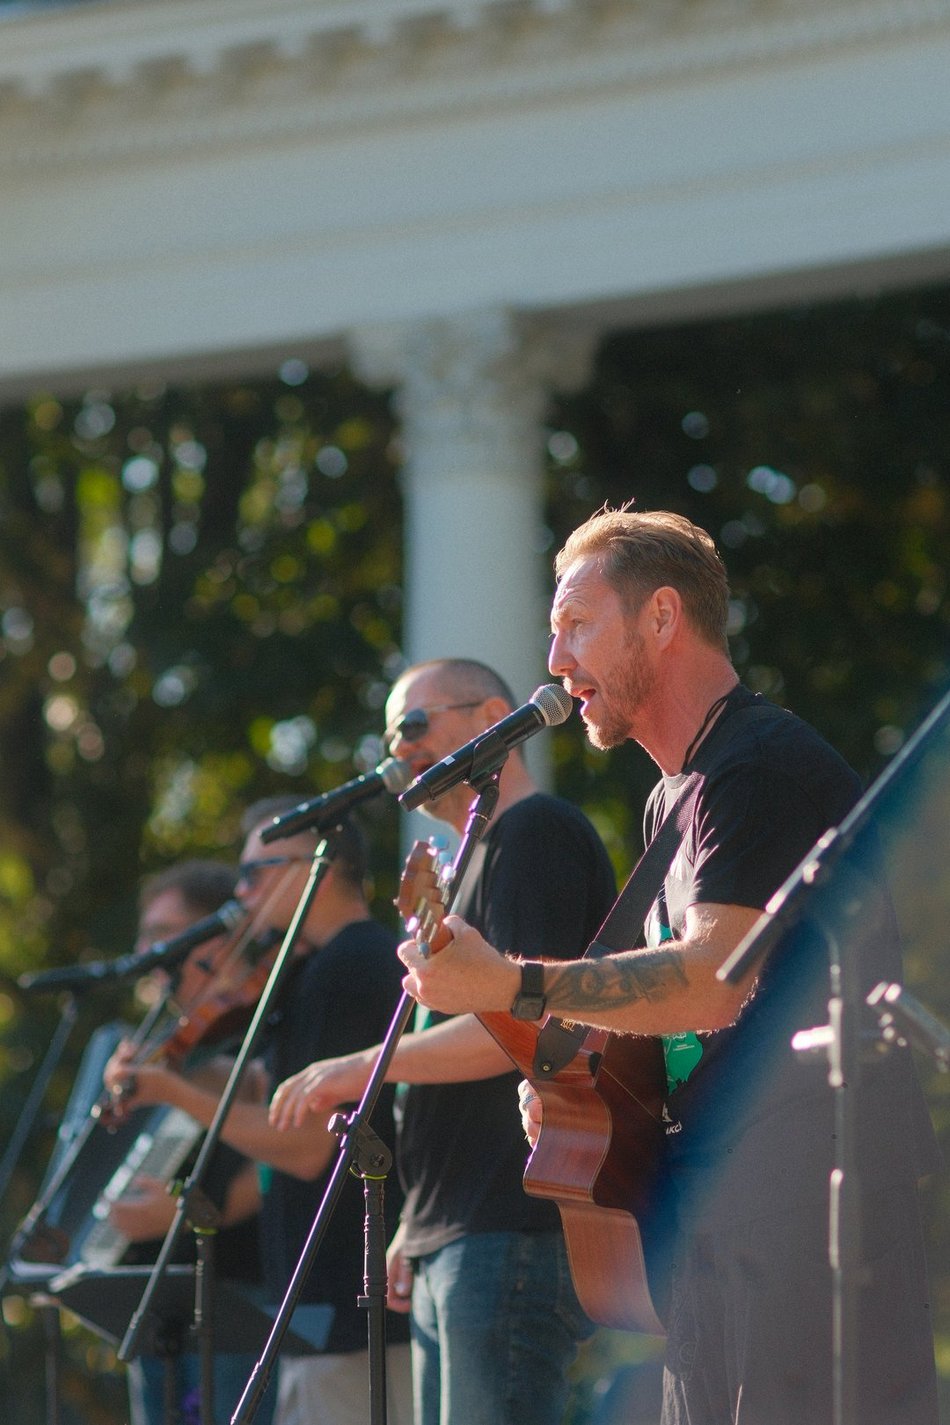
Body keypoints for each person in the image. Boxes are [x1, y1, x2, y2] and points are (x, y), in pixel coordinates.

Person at [394, 509, 941, 1425]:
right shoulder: (668, 799)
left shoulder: (756, 766)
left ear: (660, 616)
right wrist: (585, 1079)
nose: (556, 662)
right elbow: (679, 1016)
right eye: (553, 634)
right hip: (718, 1204)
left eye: (577, 626)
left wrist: (511, 984)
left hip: (806, 1188)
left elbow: (711, 978)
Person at [269, 658, 617, 1425]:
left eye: (416, 724)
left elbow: (521, 1030)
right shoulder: (471, 860)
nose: (400, 749)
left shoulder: (535, 830)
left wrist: (357, 1068)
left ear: (494, 714)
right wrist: (415, 1221)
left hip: (511, 1224)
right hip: (458, 1231)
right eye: (390, 735)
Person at [104, 808, 413, 1425]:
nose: (239, 895)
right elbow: (267, 1089)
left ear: (312, 872)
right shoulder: (319, 968)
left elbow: (303, 1147)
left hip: (349, 1307)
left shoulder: (349, 966)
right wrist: (176, 1076)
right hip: (324, 1309)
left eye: (252, 875)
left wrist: (173, 1091)